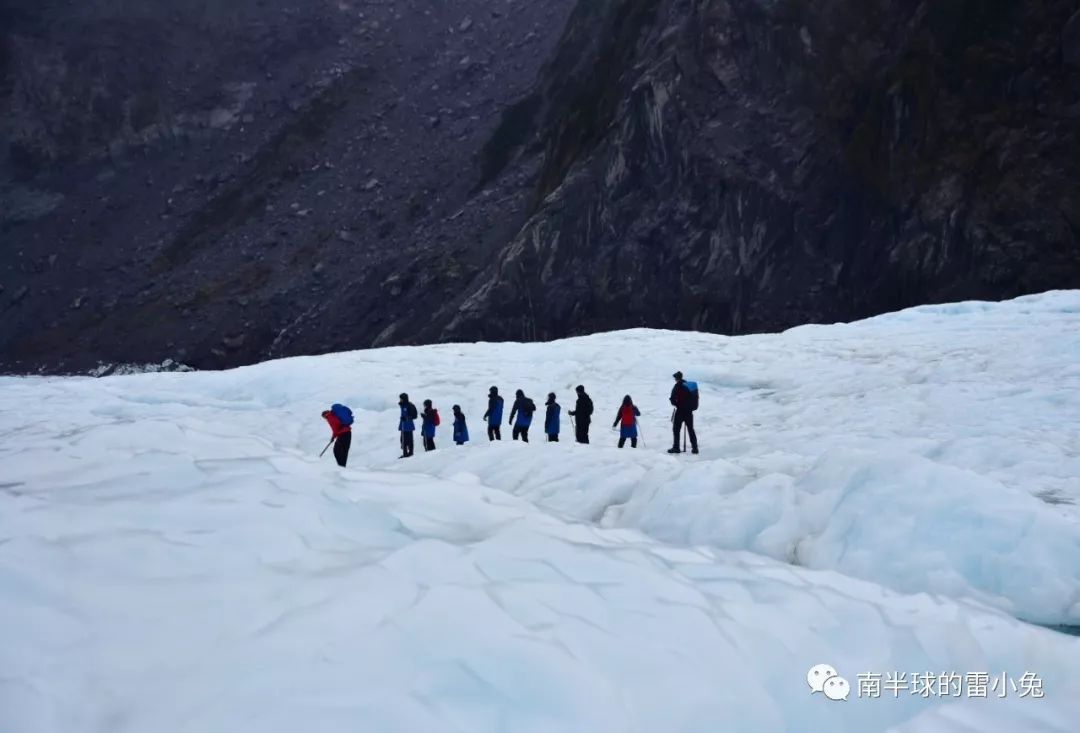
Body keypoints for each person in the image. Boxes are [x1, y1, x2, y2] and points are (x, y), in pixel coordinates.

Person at [669, 371, 699, 454]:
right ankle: (695, 448)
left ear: (676, 378)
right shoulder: (688, 385)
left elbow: (672, 399)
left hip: (680, 411)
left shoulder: (677, 386)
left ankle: (676, 447)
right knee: (690, 429)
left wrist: (675, 403)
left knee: (676, 429)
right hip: (689, 412)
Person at [398, 392, 418, 458]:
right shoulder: (402, 405)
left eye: (401, 398)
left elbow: (414, 416)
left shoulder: (409, 406)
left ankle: (410, 453)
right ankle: (405, 453)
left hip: (408, 425)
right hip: (403, 425)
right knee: (403, 440)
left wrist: (406, 418)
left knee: (409, 440)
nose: (400, 400)